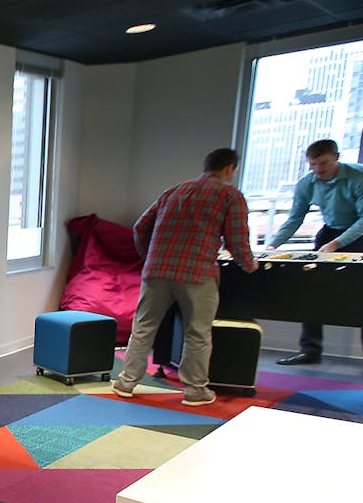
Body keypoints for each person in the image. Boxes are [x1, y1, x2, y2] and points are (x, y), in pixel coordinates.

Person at [111, 148, 259, 406]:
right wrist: (249, 265)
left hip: (157, 270)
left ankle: (126, 382)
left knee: (144, 327)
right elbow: (237, 239)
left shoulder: (174, 190)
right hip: (197, 272)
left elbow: (140, 227)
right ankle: (194, 391)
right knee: (198, 332)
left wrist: (151, 256)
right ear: (229, 169)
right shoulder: (230, 195)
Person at [267, 139, 363, 372]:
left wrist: (336, 244)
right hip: (333, 228)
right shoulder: (308, 183)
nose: (318, 170)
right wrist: (273, 245)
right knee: (313, 288)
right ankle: (310, 350)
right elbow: (295, 218)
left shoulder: (362, 177)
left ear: (336, 157)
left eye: (323, 163)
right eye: (313, 164)